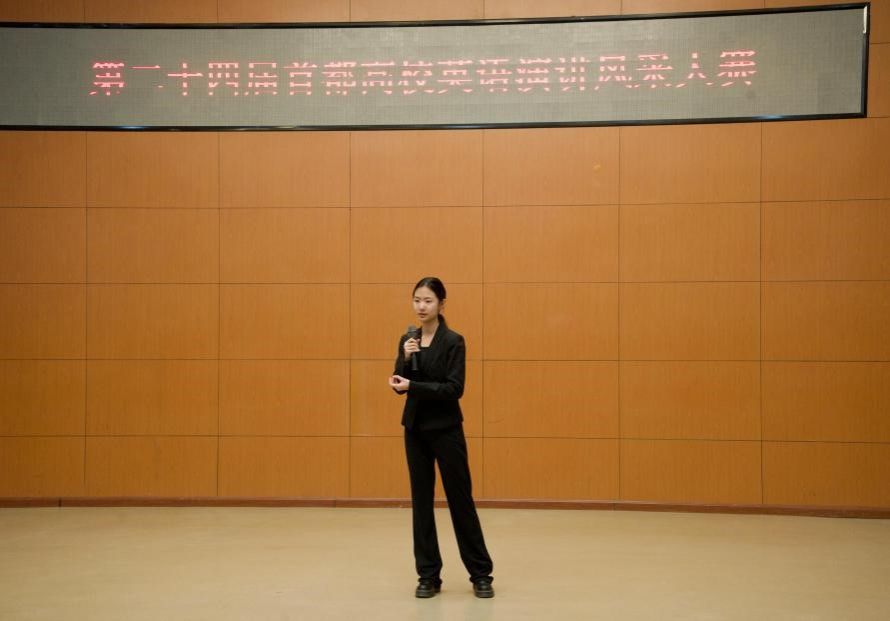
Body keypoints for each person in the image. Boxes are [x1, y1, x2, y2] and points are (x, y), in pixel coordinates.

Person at [387, 277, 495, 599]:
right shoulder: (408, 339)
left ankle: (481, 574)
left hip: (446, 429)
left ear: (441, 304)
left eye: (428, 301)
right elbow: (398, 383)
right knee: (421, 503)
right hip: (415, 429)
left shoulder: (453, 341)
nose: (421, 306)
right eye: (417, 300)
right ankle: (428, 575)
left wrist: (414, 386)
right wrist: (406, 360)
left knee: (460, 500)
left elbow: (454, 389)